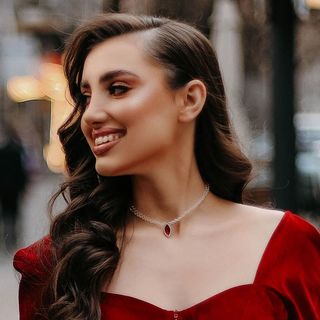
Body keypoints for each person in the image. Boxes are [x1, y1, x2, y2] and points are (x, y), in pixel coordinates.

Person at [13, 13, 319, 320]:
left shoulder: (288, 246)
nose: (90, 115)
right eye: (87, 96)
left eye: (118, 88)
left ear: (190, 99)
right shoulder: (56, 264)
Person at [0, 122, 28, 251]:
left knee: (10, 213)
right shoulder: (16, 149)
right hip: (11, 188)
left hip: (10, 188)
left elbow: (21, 170)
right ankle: (10, 238)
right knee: (10, 213)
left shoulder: (13, 150)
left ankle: (10, 238)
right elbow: (22, 170)